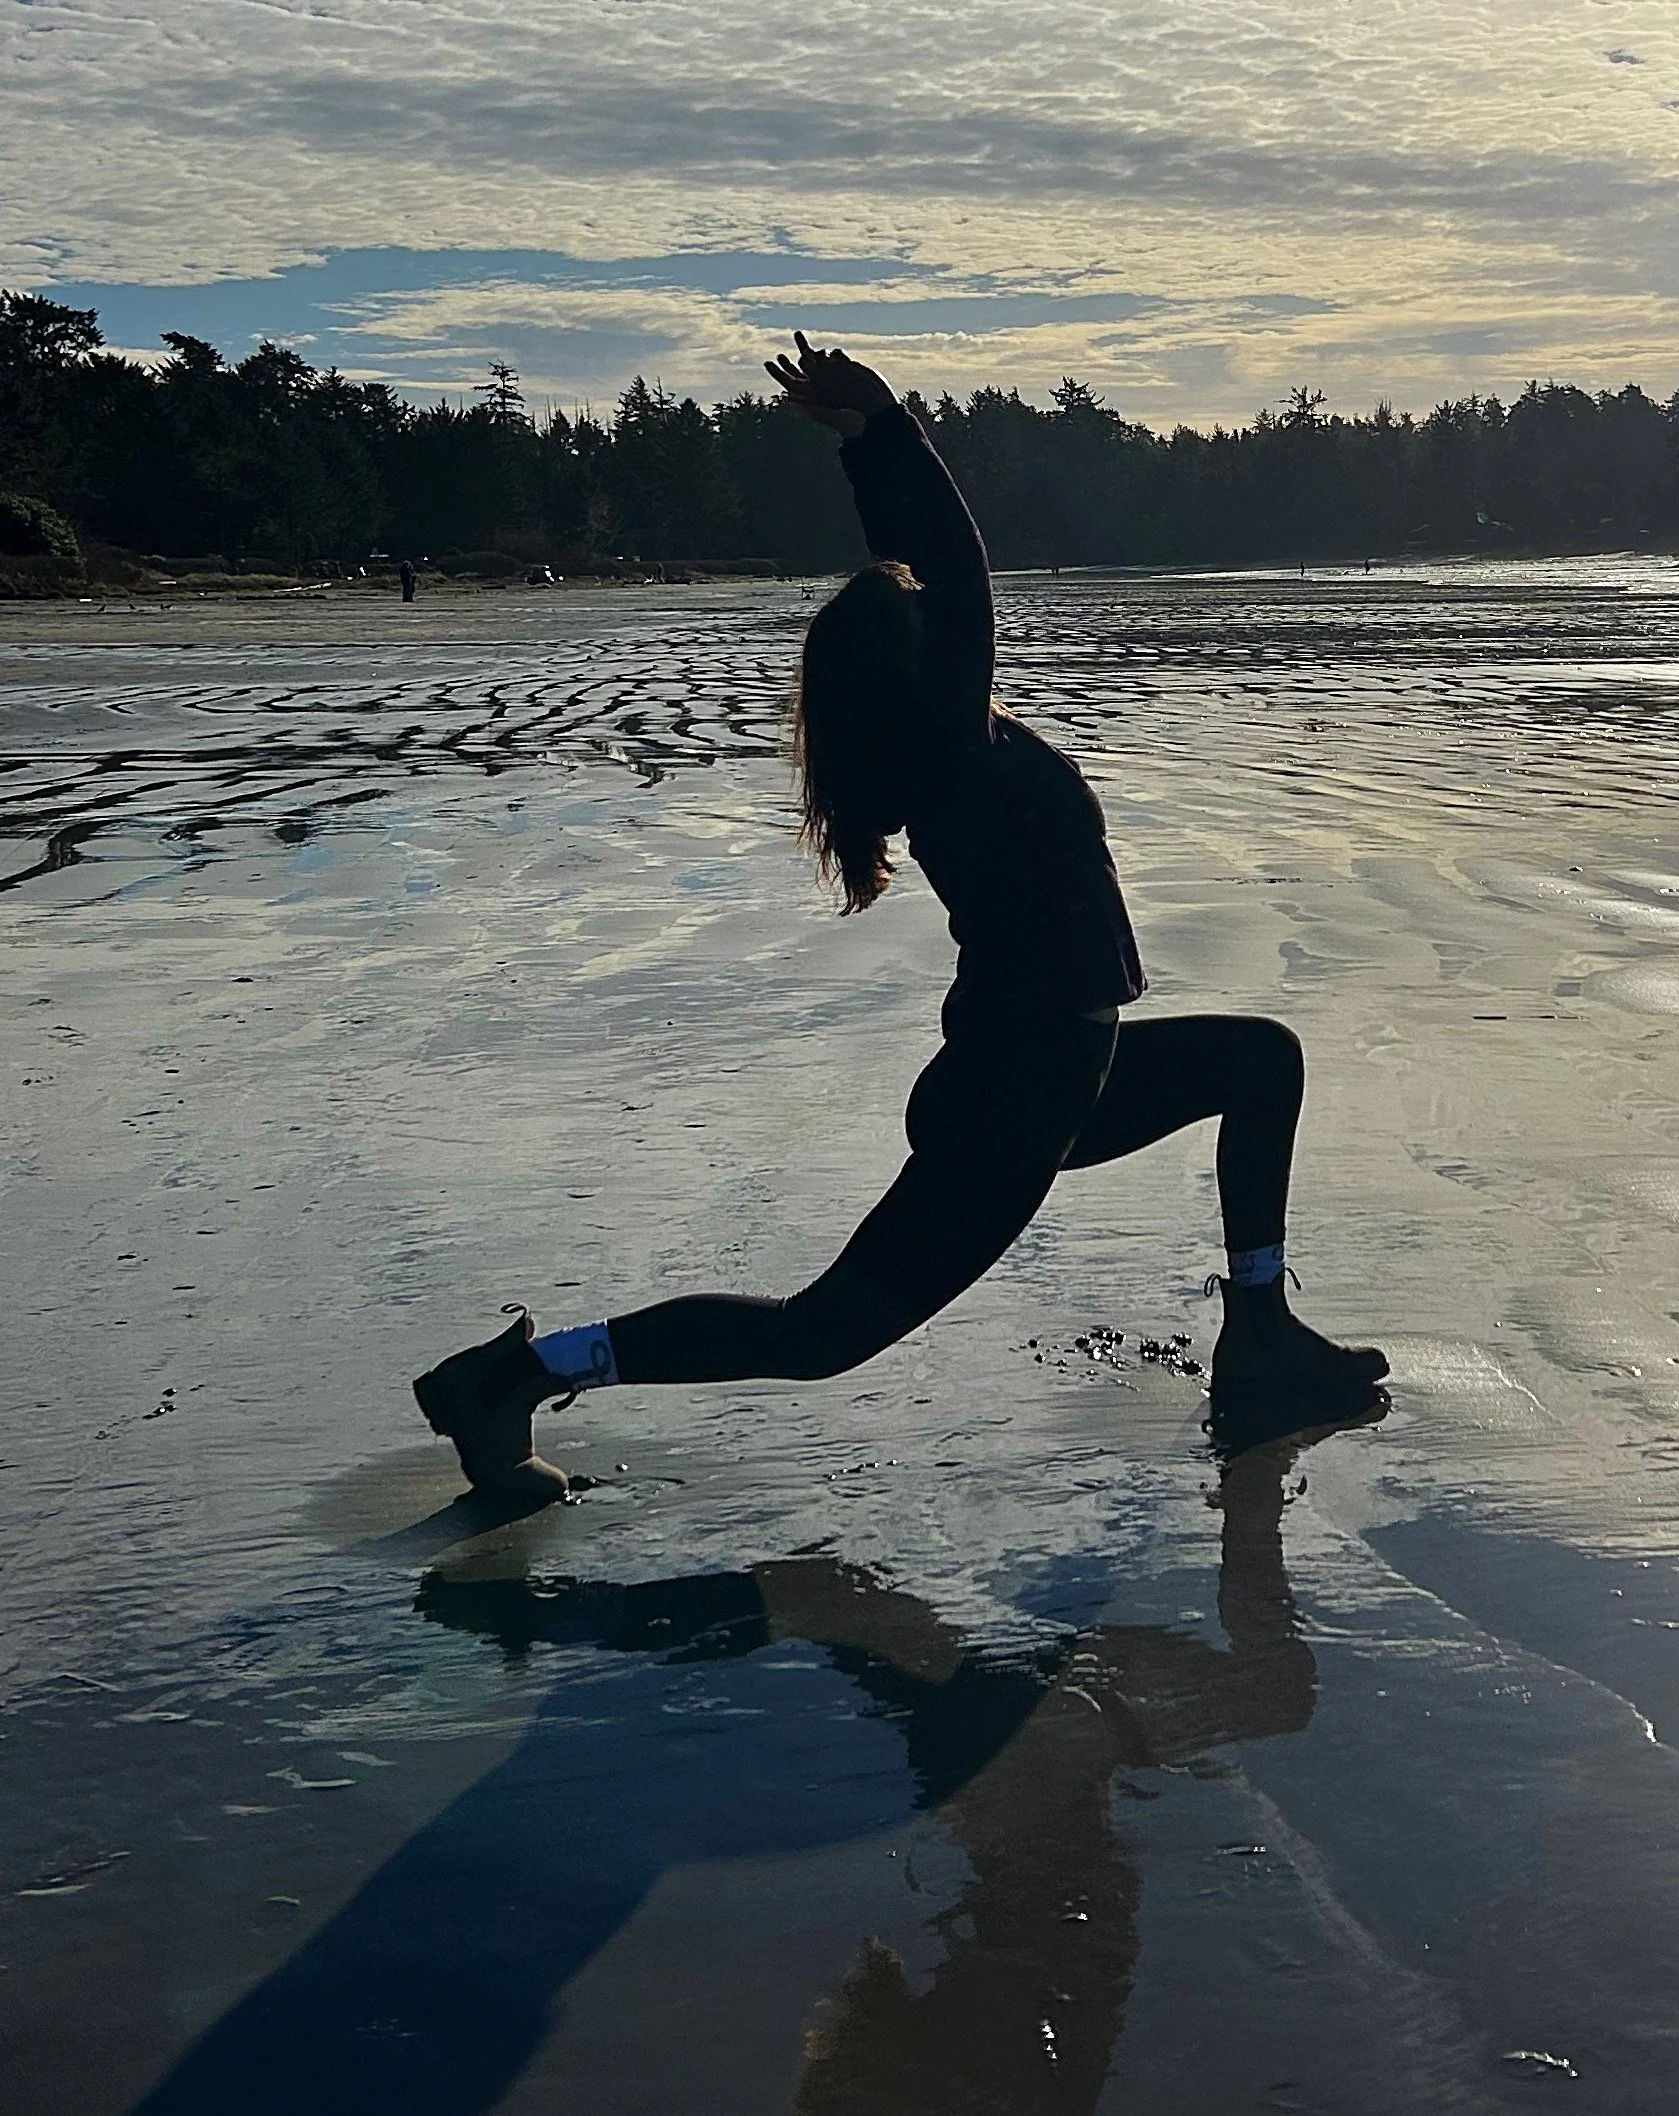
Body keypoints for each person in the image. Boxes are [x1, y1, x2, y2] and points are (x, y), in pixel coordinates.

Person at [413, 335, 1387, 1501]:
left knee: (1258, 1062)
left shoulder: (933, 747)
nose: (942, 618)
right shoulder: (957, 750)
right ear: (914, 665)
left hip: (1046, 1068)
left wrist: (868, 454)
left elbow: (917, 577)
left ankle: (1261, 1333)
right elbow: (951, 566)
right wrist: (885, 432)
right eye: (923, 620)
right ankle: (515, 1376)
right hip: (1020, 1090)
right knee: (822, 1333)